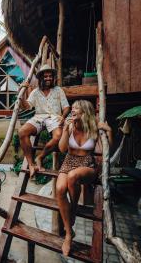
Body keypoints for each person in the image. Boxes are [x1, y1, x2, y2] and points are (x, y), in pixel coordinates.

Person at [56, 99, 112, 256]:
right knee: (60, 189)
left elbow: (108, 150)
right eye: (72, 108)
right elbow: (61, 149)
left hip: (87, 164)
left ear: (85, 111)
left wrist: (109, 131)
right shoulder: (70, 126)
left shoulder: (94, 126)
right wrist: (66, 130)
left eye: (76, 108)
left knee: (73, 176)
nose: (72, 110)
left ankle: (73, 208)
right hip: (69, 160)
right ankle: (69, 233)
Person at [18, 64, 70, 178]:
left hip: (54, 117)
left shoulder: (58, 90)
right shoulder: (35, 92)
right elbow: (26, 106)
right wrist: (21, 95)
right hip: (39, 117)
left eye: (50, 76)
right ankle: (31, 165)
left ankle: (40, 157)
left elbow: (66, 107)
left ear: (53, 77)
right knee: (22, 132)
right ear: (41, 78)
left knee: (58, 136)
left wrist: (63, 116)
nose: (48, 78)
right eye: (45, 76)